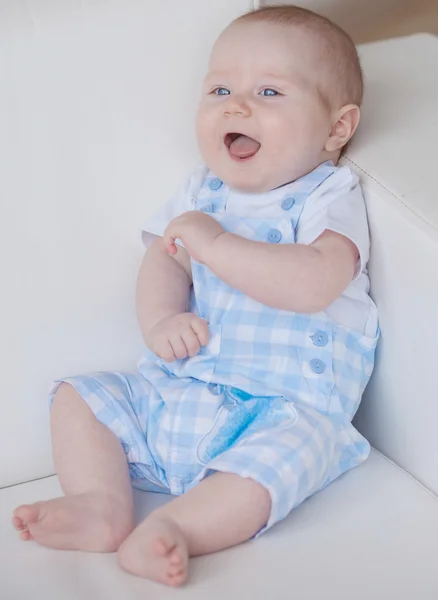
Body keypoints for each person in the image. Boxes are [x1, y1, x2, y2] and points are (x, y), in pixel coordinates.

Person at [12, 5, 379, 588]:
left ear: (337, 127)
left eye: (268, 91)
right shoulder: (199, 191)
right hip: (182, 389)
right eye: (221, 88)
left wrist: (214, 243)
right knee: (78, 398)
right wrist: (161, 320)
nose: (237, 106)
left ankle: (179, 528)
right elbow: (164, 260)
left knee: (293, 456)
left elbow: (315, 281)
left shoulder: (326, 195)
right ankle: (101, 504)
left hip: (282, 409)